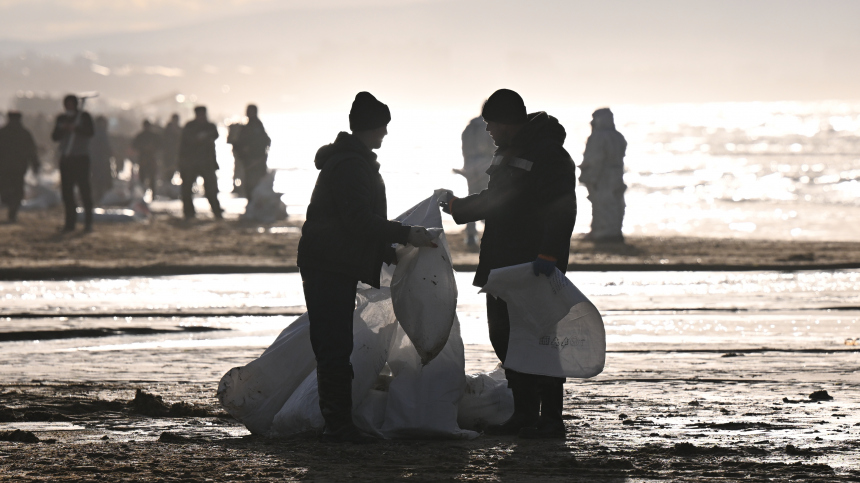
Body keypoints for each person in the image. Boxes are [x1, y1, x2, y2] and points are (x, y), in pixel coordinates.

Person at [296, 92, 438, 444]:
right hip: (328, 265)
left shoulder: (351, 161)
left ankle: (338, 422)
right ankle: (338, 426)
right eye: (382, 127)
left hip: (332, 262)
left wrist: (389, 251)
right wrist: (406, 234)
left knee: (335, 344)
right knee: (334, 346)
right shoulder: (350, 166)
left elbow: (354, 224)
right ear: (370, 127)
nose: (385, 134)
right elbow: (358, 220)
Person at [441, 89, 577, 439]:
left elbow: (563, 210)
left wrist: (549, 255)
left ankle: (551, 419)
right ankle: (524, 413)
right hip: (502, 263)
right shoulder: (508, 154)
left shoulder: (550, 156)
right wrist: (459, 208)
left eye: (491, 125)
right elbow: (497, 200)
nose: (488, 132)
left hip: (533, 266)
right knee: (505, 339)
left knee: (540, 339)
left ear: (506, 122)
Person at [580, 108, 627, 242]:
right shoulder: (618, 136)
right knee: (614, 203)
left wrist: (591, 177)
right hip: (616, 175)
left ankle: (604, 233)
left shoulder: (598, 137)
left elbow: (595, 159)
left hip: (603, 176)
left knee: (603, 203)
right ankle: (611, 231)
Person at [52, 94, 95, 232]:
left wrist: (76, 128)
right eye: (67, 105)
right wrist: (64, 129)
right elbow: (54, 136)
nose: (68, 107)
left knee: (84, 191)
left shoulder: (84, 117)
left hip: (81, 158)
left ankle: (88, 223)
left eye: (71, 104)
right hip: (66, 159)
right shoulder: (61, 118)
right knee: (67, 193)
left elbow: (90, 132)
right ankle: (70, 223)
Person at [455, 115, 496, 251]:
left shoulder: (470, 126)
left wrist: (466, 164)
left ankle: (471, 235)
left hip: (471, 164)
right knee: (489, 198)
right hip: (486, 163)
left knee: (472, 198)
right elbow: (493, 146)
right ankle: (489, 232)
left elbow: (464, 146)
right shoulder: (490, 125)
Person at [178, 106, 222, 220]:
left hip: (207, 163)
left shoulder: (210, 126)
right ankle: (189, 213)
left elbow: (215, 135)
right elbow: (185, 143)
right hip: (191, 163)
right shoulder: (190, 126)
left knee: (211, 190)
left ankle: (216, 211)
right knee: (187, 189)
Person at [0, 112, 40, 222]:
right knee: (15, 189)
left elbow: (32, 151)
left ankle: (12, 208)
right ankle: (13, 209)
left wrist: (35, 164)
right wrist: (35, 164)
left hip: (8, 167)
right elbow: (32, 151)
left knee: (8, 189)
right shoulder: (24, 133)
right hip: (16, 167)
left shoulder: (4, 132)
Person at [232, 104, 271, 203]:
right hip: (249, 161)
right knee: (251, 185)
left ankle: (255, 205)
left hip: (256, 161)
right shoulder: (249, 126)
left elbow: (264, 142)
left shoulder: (256, 126)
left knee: (255, 185)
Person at [132, 120, 162, 197]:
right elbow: (134, 146)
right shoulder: (141, 136)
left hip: (151, 159)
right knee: (143, 178)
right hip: (143, 159)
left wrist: (152, 149)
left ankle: (152, 195)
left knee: (152, 178)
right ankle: (143, 195)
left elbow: (160, 146)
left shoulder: (153, 136)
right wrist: (143, 148)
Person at [89, 115, 113, 205]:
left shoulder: (94, 131)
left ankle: (97, 197)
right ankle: (99, 197)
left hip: (95, 159)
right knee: (100, 179)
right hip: (100, 160)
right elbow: (105, 146)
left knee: (96, 179)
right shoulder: (100, 132)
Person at [161, 113, 181, 193]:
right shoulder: (167, 130)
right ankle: (167, 188)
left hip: (177, 155)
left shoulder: (179, 130)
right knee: (167, 172)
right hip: (168, 155)